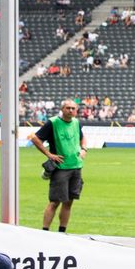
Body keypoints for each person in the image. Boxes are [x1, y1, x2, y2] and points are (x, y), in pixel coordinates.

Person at [29, 98, 86, 232]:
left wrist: (84, 149)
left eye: (73, 108)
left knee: (69, 202)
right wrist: (49, 154)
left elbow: (82, 137)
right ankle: (45, 231)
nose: (71, 110)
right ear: (62, 109)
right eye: (68, 108)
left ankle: (62, 232)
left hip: (76, 167)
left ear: (76, 110)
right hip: (61, 168)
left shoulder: (76, 122)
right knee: (55, 202)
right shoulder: (53, 122)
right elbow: (35, 138)